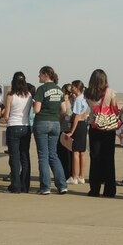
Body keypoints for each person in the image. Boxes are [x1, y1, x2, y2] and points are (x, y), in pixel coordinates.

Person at [33, 65, 69, 195]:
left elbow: (37, 109)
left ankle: (45, 187)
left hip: (42, 122)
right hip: (55, 123)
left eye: (40, 74)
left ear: (45, 74)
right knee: (53, 155)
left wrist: (34, 106)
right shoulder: (59, 90)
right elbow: (64, 110)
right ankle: (62, 185)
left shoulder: (42, 89)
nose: (38, 76)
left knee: (43, 155)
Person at [84, 69, 120, 198]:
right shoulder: (110, 92)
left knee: (95, 158)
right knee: (109, 159)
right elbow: (114, 109)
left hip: (95, 126)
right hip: (108, 128)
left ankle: (94, 189)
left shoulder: (88, 93)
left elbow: (91, 107)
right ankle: (110, 190)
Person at [2, 71, 33, 193]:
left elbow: (6, 115)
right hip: (25, 127)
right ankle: (25, 186)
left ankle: (15, 186)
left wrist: (3, 116)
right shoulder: (29, 95)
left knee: (14, 158)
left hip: (13, 126)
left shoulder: (10, 95)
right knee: (25, 156)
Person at [66, 79, 89, 185]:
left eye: (73, 87)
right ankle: (82, 176)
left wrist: (71, 131)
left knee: (75, 151)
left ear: (76, 88)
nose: (71, 89)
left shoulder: (78, 100)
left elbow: (76, 116)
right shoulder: (84, 98)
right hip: (84, 124)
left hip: (78, 124)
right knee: (82, 152)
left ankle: (74, 177)